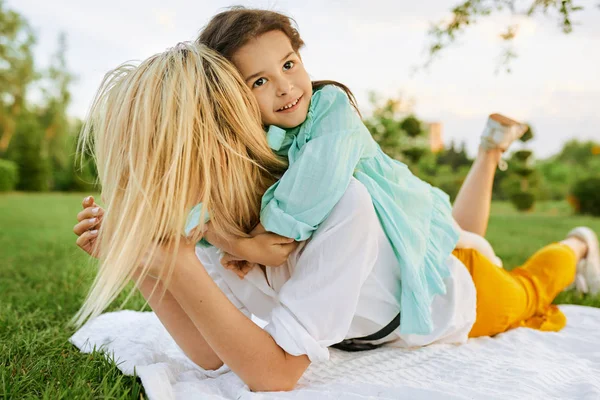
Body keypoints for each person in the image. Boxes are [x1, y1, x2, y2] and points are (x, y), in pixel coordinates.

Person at [73, 42, 599, 392]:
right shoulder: (218, 225)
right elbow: (209, 354)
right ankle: (490, 152)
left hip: (452, 295)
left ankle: (578, 244)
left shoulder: (341, 204)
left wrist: (171, 256)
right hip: (408, 263)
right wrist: (147, 261)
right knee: (470, 233)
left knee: (527, 287)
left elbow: (274, 375)